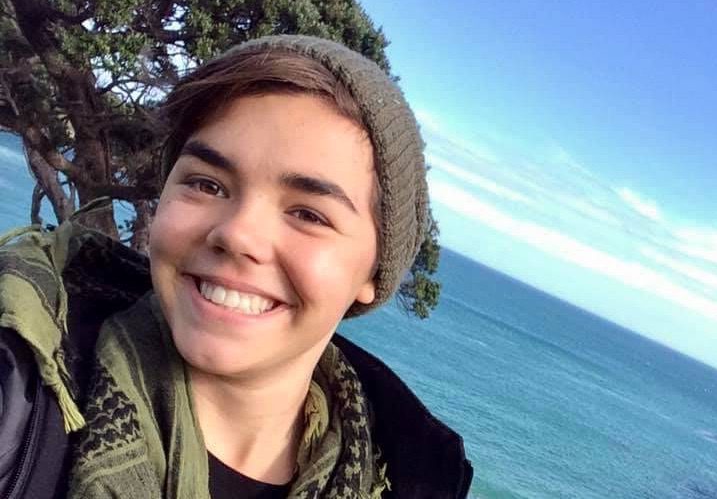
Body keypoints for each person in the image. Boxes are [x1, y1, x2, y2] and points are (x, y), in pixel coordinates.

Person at [0, 35, 472, 498]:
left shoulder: (405, 479)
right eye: (207, 185)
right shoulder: (21, 382)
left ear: (374, 270)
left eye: (308, 214)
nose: (236, 234)